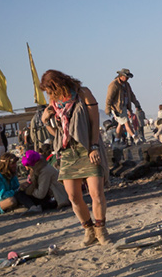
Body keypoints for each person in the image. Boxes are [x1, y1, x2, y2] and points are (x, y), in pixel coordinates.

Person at [41, 69, 112, 246]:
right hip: (67, 152)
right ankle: (88, 229)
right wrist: (45, 121)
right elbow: (58, 133)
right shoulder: (54, 103)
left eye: (50, 89)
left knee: (96, 193)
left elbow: (95, 122)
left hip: (88, 148)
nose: (49, 94)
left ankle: (101, 229)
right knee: (73, 196)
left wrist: (94, 146)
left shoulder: (83, 93)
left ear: (57, 84)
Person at [105, 69, 142, 145]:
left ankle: (116, 140)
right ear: (121, 76)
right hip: (117, 108)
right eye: (126, 77)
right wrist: (108, 108)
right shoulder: (114, 84)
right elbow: (109, 98)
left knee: (120, 124)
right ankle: (134, 137)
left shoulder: (127, 85)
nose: (127, 78)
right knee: (126, 122)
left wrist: (136, 103)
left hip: (125, 106)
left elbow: (131, 95)